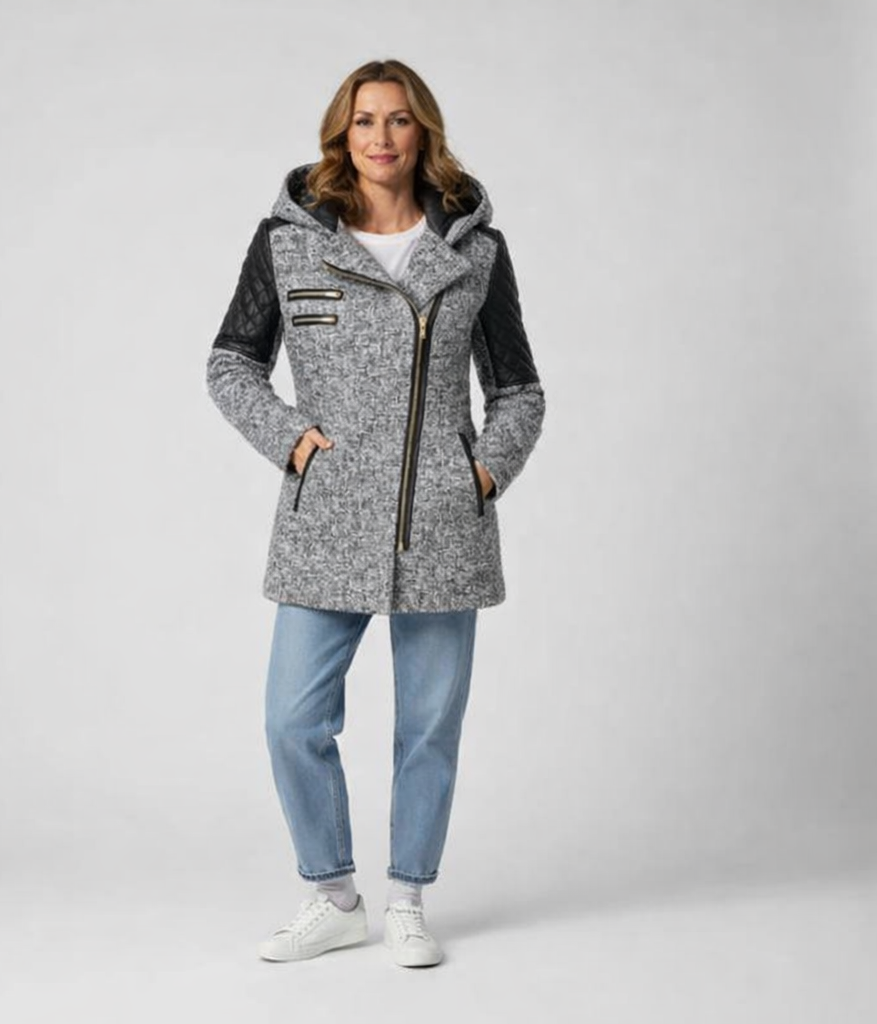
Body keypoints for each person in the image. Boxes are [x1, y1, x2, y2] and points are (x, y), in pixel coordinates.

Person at [205, 58, 545, 967]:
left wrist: (481, 473)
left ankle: (407, 901)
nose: (381, 137)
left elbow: (519, 390)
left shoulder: (476, 251)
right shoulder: (288, 242)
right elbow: (230, 364)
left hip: (442, 524)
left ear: (422, 131)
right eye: (364, 121)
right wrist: (292, 442)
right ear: (341, 133)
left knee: (427, 727)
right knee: (292, 720)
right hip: (327, 520)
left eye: (398, 119)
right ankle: (334, 897)